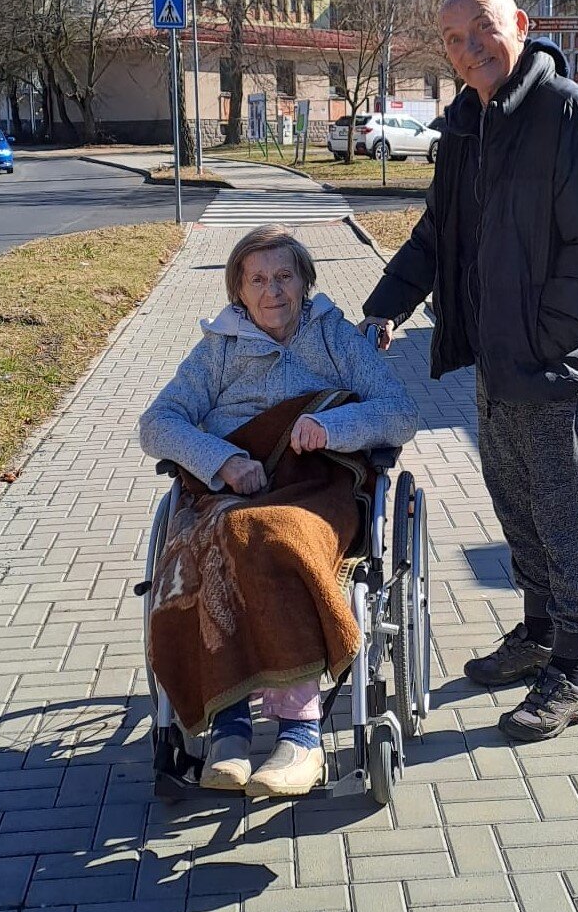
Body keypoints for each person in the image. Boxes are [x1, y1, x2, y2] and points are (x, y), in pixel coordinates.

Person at [361, 0, 578, 742]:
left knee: (565, 513)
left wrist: (544, 341)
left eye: (481, 28)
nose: (468, 48)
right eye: (453, 39)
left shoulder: (569, 113)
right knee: (517, 502)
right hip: (498, 358)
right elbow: (436, 234)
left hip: (555, 365)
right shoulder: (466, 126)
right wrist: (387, 305)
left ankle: (572, 671)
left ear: (519, 24)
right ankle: (539, 632)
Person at [139, 225, 418, 796]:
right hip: (234, 487)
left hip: (316, 485)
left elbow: (400, 411)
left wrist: (331, 426)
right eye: (258, 280)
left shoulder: (334, 336)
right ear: (238, 291)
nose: (273, 291)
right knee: (219, 540)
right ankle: (230, 730)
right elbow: (157, 423)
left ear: (304, 282)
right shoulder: (220, 348)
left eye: (284, 277)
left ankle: (300, 736)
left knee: (276, 536)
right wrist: (222, 460)